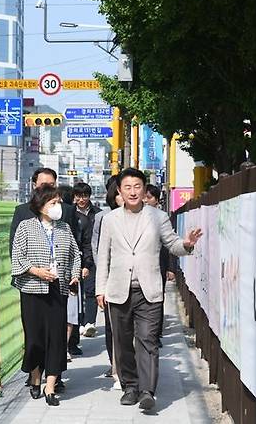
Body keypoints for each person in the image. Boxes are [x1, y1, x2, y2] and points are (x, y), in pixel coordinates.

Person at [96, 168, 203, 410]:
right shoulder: (110, 220)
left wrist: (187, 244)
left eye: (137, 186)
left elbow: (173, 243)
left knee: (148, 339)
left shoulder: (158, 216)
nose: (133, 191)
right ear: (120, 191)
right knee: (122, 343)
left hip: (149, 290)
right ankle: (130, 386)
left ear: (144, 190)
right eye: (128, 187)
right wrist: (99, 289)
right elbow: (104, 256)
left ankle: (147, 390)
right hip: (118, 290)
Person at [8, 168, 80, 390]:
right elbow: (16, 251)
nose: (56, 205)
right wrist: (35, 270)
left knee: (56, 336)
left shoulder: (65, 220)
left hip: (58, 287)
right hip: (32, 286)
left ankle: (53, 381)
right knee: (35, 337)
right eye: (44, 186)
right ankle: (35, 375)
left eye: (53, 186)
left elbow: (74, 251)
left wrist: (75, 274)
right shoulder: (24, 219)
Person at [92, 177, 124, 386]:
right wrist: (102, 281)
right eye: (121, 192)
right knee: (113, 326)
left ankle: (127, 367)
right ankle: (116, 366)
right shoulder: (104, 218)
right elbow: (97, 249)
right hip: (112, 279)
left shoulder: (146, 216)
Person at [145, 184, 179, 347]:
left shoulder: (161, 217)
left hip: (160, 263)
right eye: (144, 196)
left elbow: (170, 244)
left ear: (157, 200)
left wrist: (171, 268)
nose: (145, 200)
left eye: (149, 197)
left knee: (157, 298)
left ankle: (155, 333)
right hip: (141, 265)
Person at [73, 182, 101, 338]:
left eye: (84, 195)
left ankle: (90, 323)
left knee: (91, 290)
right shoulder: (70, 213)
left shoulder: (97, 214)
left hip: (93, 256)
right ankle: (79, 323)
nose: (81, 199)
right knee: (75, 291)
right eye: (78, 196)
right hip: (75, 256)